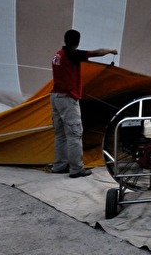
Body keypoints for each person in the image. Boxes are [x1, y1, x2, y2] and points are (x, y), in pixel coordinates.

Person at [50, 29, 117, 177]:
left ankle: (59, 166)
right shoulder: (72, 54)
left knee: (60, 134)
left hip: (55, 97)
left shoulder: (58, 54)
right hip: (67, 99)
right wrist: (111, 51)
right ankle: (76, 169)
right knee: (74, 134)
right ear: (77, 41)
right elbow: (96, 53)